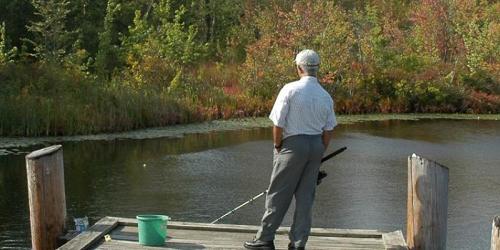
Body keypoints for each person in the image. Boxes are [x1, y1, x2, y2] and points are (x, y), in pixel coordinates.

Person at [244, 49, 337, 250]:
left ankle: (265, 239)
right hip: (316, 146)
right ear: (317, 69)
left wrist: (278, 146)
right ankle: (298, 243)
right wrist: (319, 151)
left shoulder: (290, 89)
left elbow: (278, 123)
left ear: (298, 68)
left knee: (278, 193)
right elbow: (328, 130)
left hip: (293, 146)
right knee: (306, 198)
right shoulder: (325, 96)